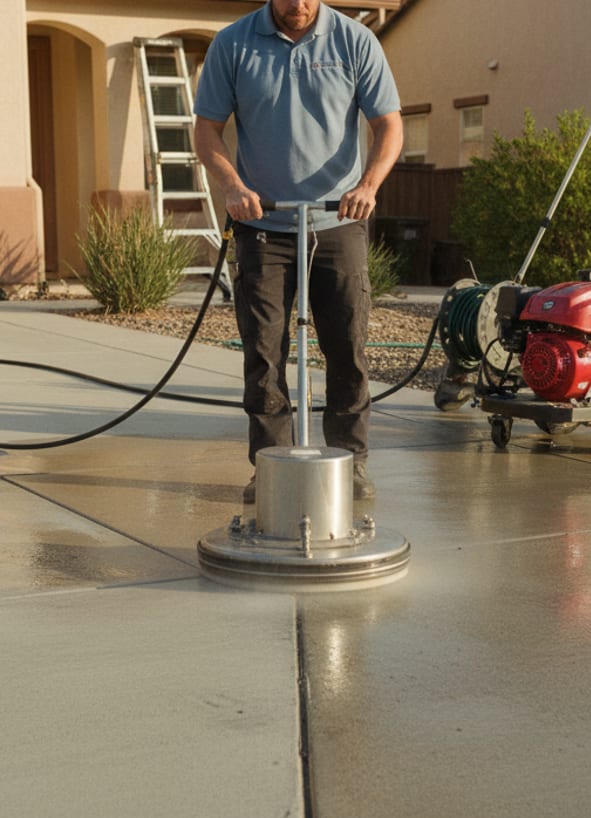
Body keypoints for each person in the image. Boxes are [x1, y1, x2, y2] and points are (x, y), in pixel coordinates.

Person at [193, 0, 403, 503]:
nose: (298, 6)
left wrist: (369, 186)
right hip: (262, 221)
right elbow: (206, 129)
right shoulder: (234, 43)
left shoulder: (355, 41)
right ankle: (269, 464)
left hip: (339, 221)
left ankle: (350, 462)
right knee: (264, 352)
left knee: (347, 345)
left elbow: (390, 126)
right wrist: (232, 186)